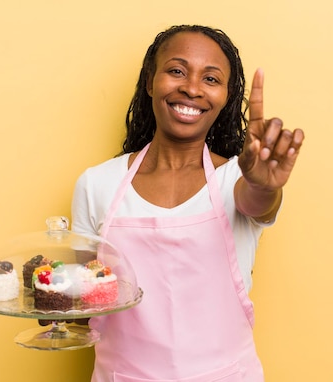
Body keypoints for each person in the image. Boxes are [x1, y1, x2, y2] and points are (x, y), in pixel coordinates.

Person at [71, 24, 304, 382]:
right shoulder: (97, 184)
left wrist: (261, 184)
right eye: (177, 71)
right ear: (150, 81)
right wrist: (54, 301)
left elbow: (257, 202)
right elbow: (86, 301)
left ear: (226, 96)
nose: (192, 88)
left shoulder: (236, 181)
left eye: (211, 79)